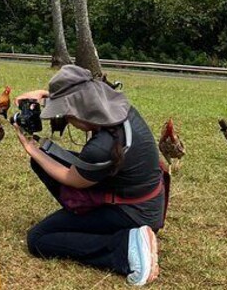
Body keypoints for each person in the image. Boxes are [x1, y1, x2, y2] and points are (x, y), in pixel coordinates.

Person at [14, 65, 167, 287]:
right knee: (45, 159)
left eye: (66, 114)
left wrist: (32, 150)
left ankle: (125, 247)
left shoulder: (101, 148)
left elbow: (70, 178)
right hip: (142, 196)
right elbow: (81, 95)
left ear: (79, 111)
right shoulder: (115, 104)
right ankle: (87, 220)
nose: (66, 119)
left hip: (134, 212)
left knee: (38, 239)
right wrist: (43, 95)